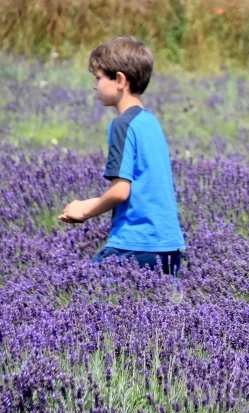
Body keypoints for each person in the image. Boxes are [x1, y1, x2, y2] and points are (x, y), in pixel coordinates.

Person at [59, 36, 185, 276]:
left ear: (119, 80)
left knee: (82, 297)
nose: (94, 85)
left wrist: (84, 210)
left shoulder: (122, 125)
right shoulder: (150, 122)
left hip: (134, 243)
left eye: (98, 78)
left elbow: (120, 191)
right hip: (170, 244)